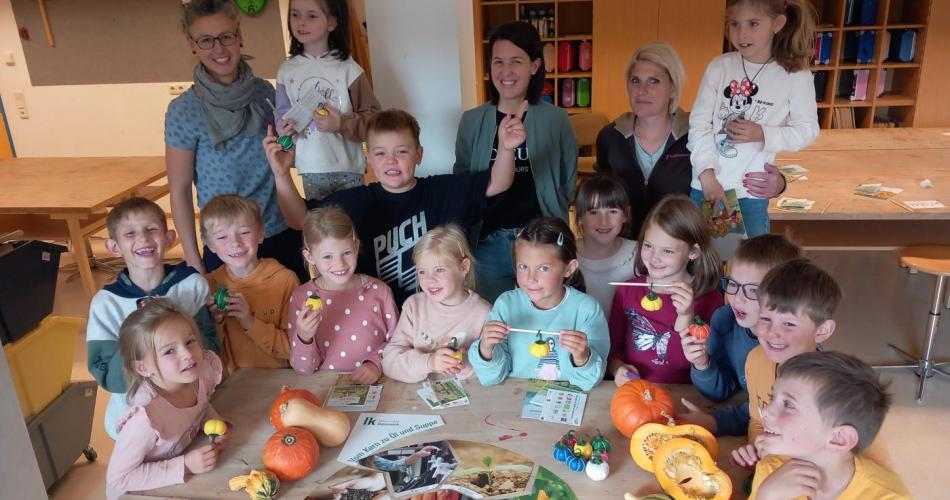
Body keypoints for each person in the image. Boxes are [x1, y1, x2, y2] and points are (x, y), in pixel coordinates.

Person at [266, 107, 521, 306]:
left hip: (437, 315)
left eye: (401, 152)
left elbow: (497, 182)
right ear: (368, 159)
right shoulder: (353, 202)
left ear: (419, 154)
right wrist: (281, 174)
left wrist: (507, 149)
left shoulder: (442, 191)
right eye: (380, 153)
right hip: (376, 320)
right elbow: (300, 221)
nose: (391, 160)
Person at [165, 0, 308, 282]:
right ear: (192, 44)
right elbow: (179, 191)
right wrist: (194, 263)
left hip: (277, 234)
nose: (219, 49)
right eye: (206, 40)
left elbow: (282, 159)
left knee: (288, 321)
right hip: (225, 245)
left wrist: (294, 138)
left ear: (239, 36)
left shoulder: (263, 92)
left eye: (226, 36)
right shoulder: (184, 109)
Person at [454, 21, 578, 302]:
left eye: (516, 61)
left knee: (541, 331)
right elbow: (463, 183)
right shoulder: (472, 121)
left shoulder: (557, 120)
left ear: (534, 66)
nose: (505, 71)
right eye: (498, 61)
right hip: (487, 245)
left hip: (542, 245)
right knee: (494, 328)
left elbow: (567, 182)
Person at [731, 259, 890, 469]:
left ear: (822, 331)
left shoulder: (838, 388)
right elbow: (759, 421)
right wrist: (759, 450)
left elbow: (878, 467)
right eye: (765, 318)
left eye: (788, 323)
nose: (772, 332)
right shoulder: (755, 360)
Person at [87, 198, 219, 441]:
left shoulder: (191, 285)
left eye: (151, 229)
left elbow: (210, 350)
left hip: (192, 413)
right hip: (138, 425)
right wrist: (142, 327)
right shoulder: (105, 304)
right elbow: (106, 375)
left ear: (169, 238)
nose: (144, 239)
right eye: (130, 233)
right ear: (114, 247)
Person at [689, 0, 819, 237]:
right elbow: (699, 125)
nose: (741, 33)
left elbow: (807, 129)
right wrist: (707, 176)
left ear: (777, 24)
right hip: (707, 187)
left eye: (753, 24)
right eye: (734, 24)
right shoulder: (720, 67)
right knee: (704, 265)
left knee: (749, 267)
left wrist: (762, 133)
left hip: (750, 194)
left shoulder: (795, 75)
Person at [678, 234, 802, 436]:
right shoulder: (724, 319)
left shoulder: (794, 344)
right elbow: (719, 393)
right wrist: (702, 364)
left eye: (753, 290)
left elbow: (772, 411)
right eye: (733, 284)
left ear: (785, 295)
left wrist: (715, 422)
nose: (737, 299)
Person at [469, 217, 609, 391]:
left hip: (566, 402)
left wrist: (582, 357)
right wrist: (485, 349)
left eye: (543, 268)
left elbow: (589, 382)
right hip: (513, 400)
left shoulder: (587, 309)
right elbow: (491, 378)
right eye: (523, 266)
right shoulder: (506, 304)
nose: (531, 278)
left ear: (569, 268)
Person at [106, 300, 226, 500]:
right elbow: (118, 478)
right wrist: (185, 464)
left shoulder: (199, 373)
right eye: (169, 351)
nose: (187, 354)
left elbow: (201, 404)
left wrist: (214, 422)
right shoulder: (145, 420)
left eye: (189, 341)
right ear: (143, 368)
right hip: (134, 493)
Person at [750, 351, 910, 499]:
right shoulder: (770, 469)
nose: (765, 411)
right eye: (772, 397)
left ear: (839, 439)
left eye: (789, 405)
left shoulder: (889, 496)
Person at [608, 196, 723, 385]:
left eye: (667, 251)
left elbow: (683, 362)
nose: (654, 258)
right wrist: (617, 368)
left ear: (693, 252)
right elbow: (612, 350)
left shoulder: (711, 301)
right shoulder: (626, 291)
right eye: (648, 246)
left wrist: (686, 315)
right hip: (634, 393)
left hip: (684, 397)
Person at [275, 0, 380, 200]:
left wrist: (341, 124)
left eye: (311, 16)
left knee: (353, 227)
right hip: (311, 168)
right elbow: (280, 116)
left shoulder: (350, 70)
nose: (301, 22)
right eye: (295, 15)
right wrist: (284, 128)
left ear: (332, 23)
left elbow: (374, 120)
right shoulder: (286, 71)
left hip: (349, 167)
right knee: (322, 228)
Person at [286, 206, 397, 383]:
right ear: (309, 256)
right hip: (325, 389)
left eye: (346, 253)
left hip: (379, 384)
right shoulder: (301, 298)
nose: (340, 264)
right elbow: (302, 369)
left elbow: (398, 342)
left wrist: (376, 363)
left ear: (356, 246)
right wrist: (304, 336)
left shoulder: (379, 291)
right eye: (327, 257)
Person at [200, 195, 299, 374]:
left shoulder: (285, 281)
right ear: (209, 245)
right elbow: (203, 355)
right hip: (232, 388)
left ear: (261, 234)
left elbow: (295, 349)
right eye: (222, 237)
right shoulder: (208, 285)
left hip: (279, 381)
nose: (235, 243)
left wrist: (249, 321)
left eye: (244, 232)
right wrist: (217, 322)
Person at [382, 225, 491, 383]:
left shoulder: (484, 313)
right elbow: (389, 362)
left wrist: (462, 362)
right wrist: (429, 362)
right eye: (422, 271)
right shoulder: (414, 306)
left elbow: (489, 372)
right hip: (413, 400)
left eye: (439, 270)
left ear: (464, 267)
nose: (429, 279)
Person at [574, 174, 637, 317]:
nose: (604, 221)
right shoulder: (565, 255)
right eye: (594, 212)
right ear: (579, 216)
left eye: (613, 211)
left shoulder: (640, 253)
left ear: (625, 214)